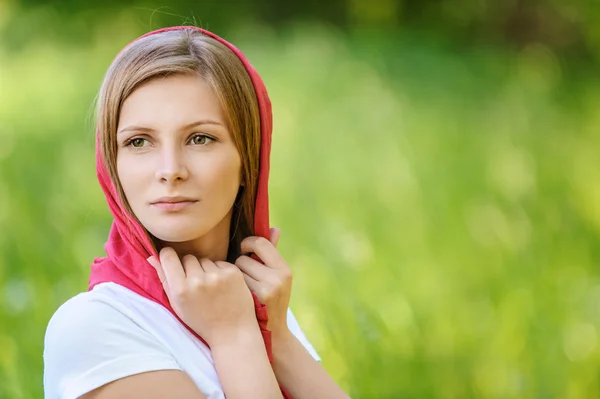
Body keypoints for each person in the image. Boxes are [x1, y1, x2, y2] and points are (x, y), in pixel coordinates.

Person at [43, 26, 350, 399]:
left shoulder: (243, 299)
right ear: (112, 164)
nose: (170, 169)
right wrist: (233, 336)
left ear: (247, 162)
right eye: (139, 141)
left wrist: (278, 335)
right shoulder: (95, 327)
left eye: (200, 138)